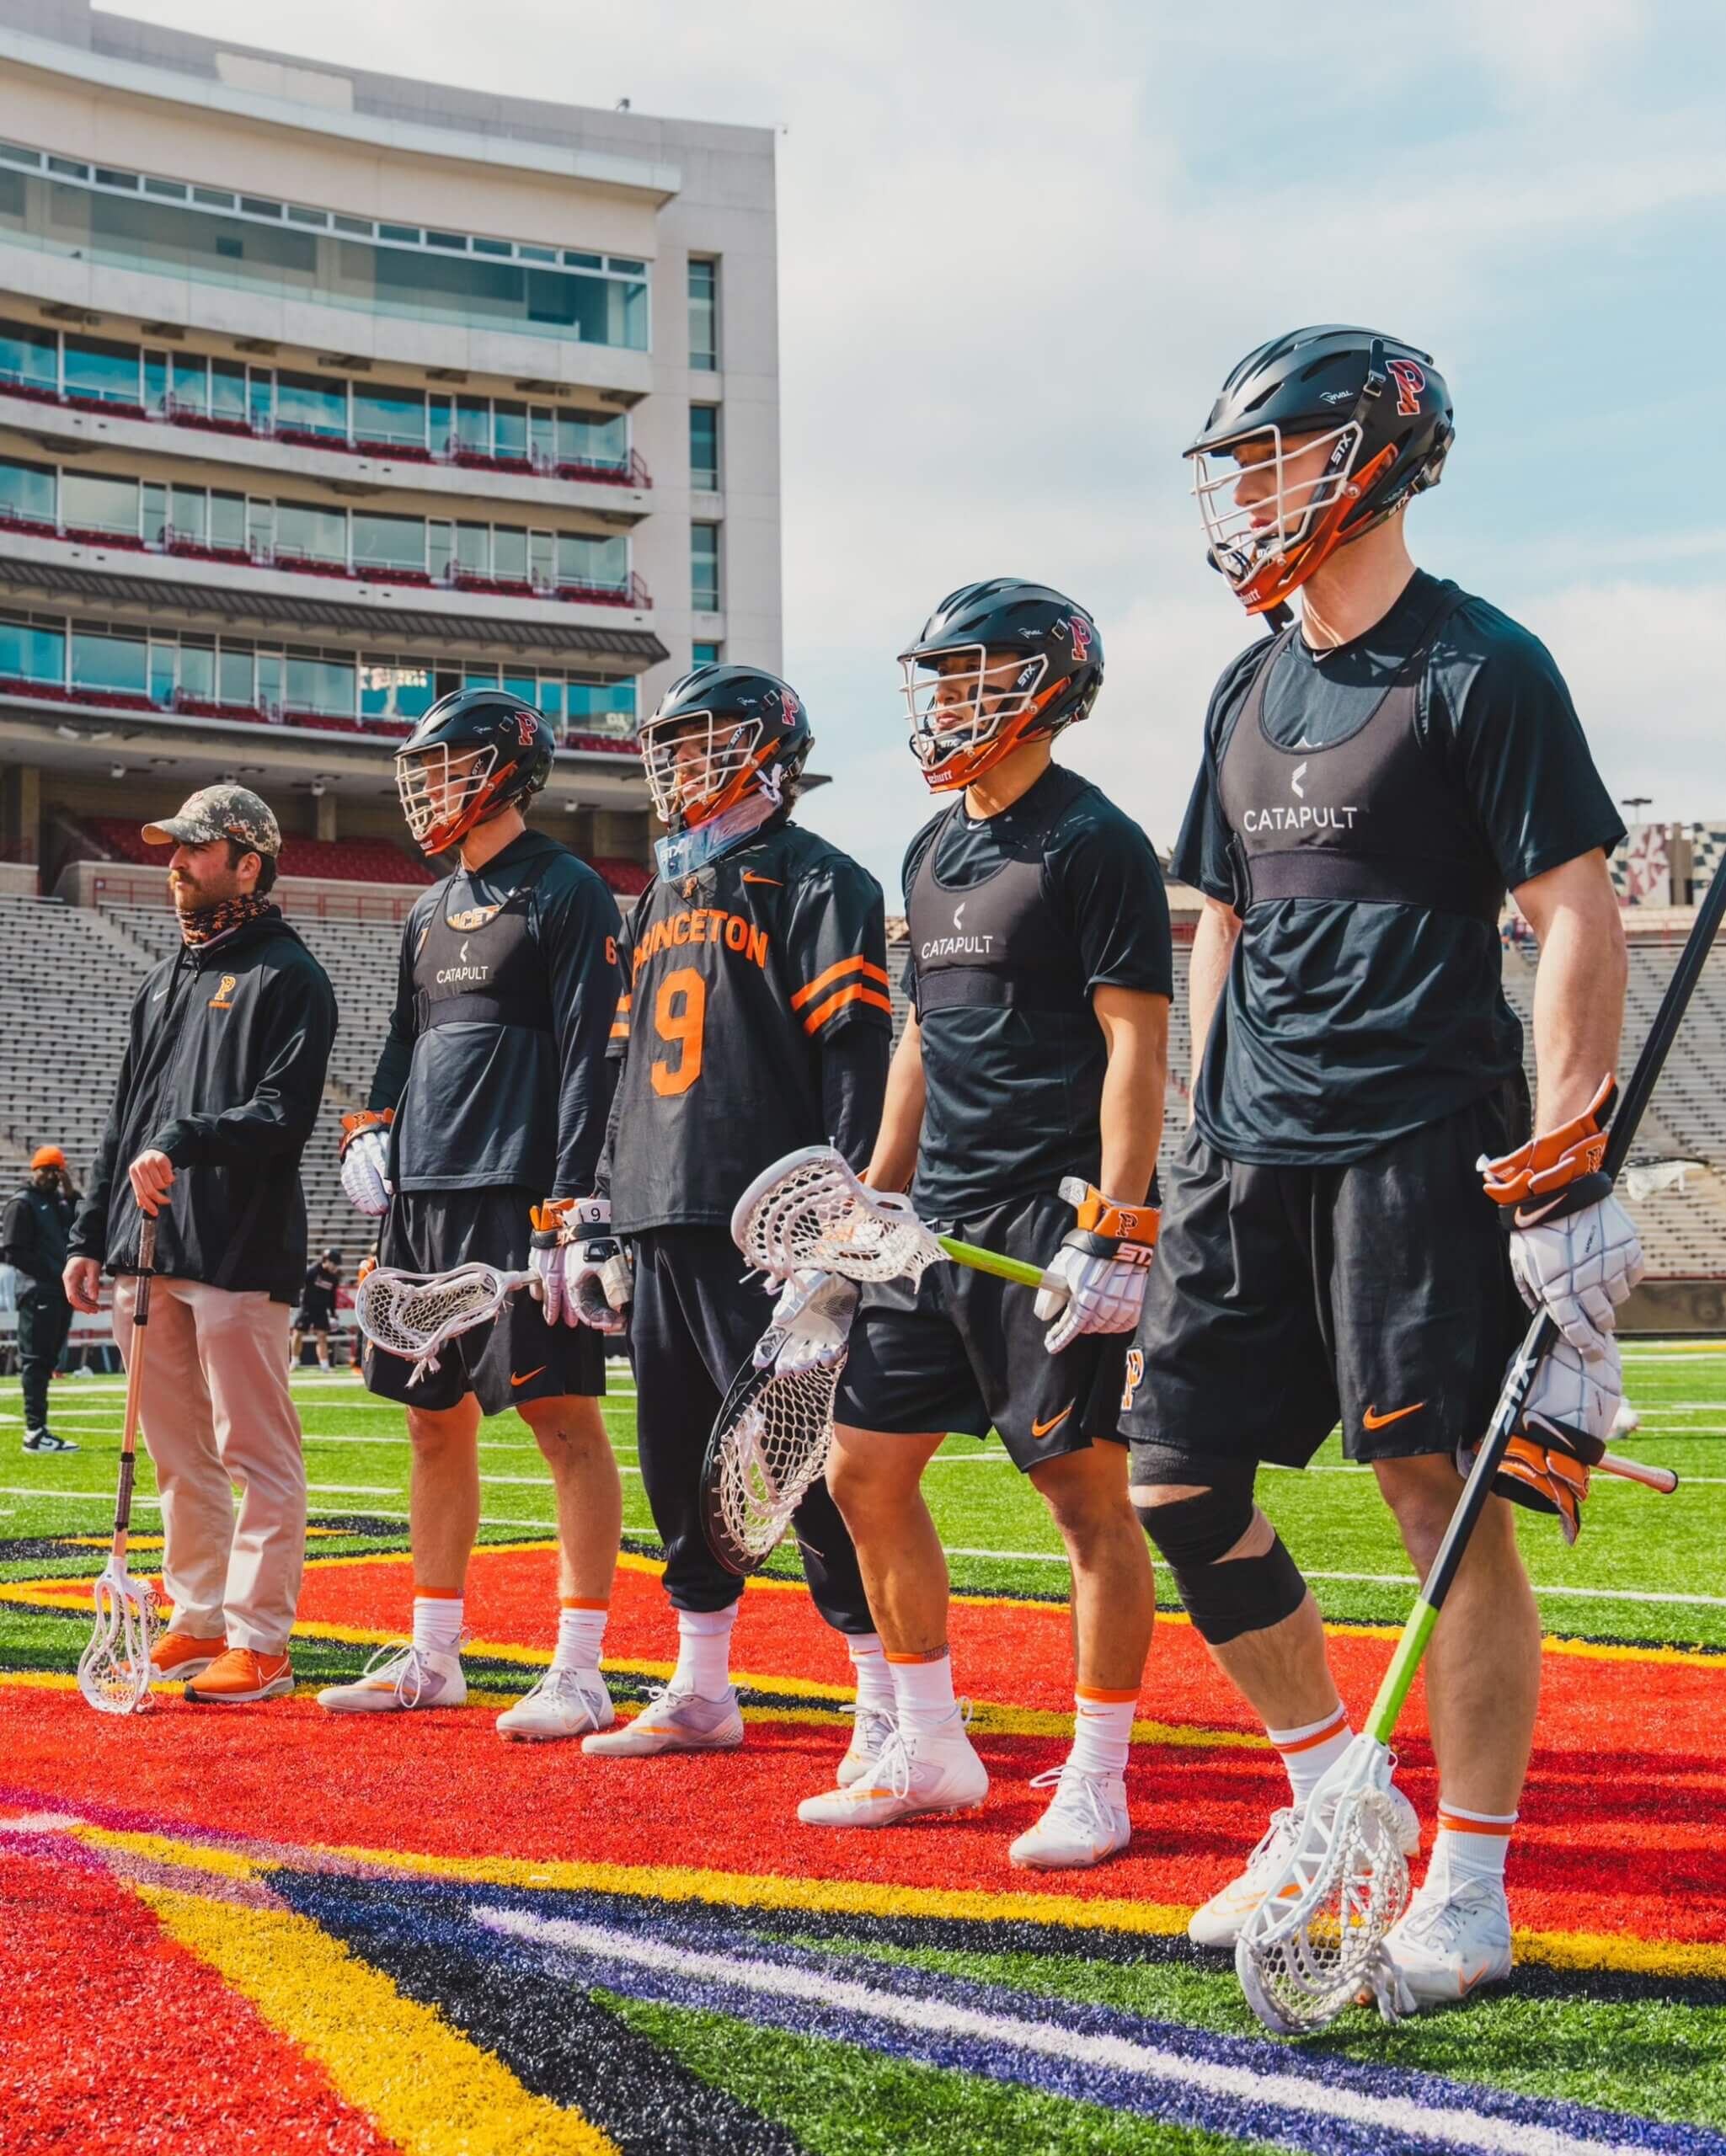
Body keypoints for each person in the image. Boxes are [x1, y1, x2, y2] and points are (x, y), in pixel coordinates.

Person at [1123, 325, 1638, 2005]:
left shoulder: (1482, 664)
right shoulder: (1244, 678)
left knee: (1439, 1499)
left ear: (1367, 454)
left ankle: (1470, 1887)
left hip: (1421, 1127)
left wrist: (1566, 1159)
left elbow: (1568, 911)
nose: (1248, 491)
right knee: (1176, 1481)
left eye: (1270, 454)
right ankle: (1335, 1798)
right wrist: (1200, 1113)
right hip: (1245, 1141)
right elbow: (1215, 914)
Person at [804, 580, 1173, 1870]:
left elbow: (1137, 1043)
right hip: (937, 1220)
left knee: (1084, 1503)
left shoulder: (1097, 842)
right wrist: (879, 1190)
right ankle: (929, 1743)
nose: (946, 701)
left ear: (1042, 685)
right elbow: (918, 1031)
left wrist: (1120, 1223)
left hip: (1046, 1215)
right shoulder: (932, 843)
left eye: (969, 675)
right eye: (941, 676)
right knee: (860, 1470)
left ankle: (1101, 1775)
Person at [578, 663, 893, 1769]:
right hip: (663, 1208)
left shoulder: (820, 881)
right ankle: (702, 1685)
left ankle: (881, 1695)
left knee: (798, 1466)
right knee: (679, 1464)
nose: (676, 762)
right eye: (670, 743)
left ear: (766, 748)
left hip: (766, 1222)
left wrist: (838, 1228)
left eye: (702, 739)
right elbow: (626, 1072)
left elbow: (858, 1064)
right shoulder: (661, 892)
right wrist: (603, 1216)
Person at [318, 687, 626, 1739]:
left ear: (500, 770)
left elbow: (593, 1056)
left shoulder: (569, 889)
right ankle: (436, 1656)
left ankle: (581, 1668)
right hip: (426, 1196)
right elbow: (405, 1039)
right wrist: (370, 1122)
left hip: (520, 1193)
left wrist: (571, 1200)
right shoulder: (422, 908)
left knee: (562, 1421)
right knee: (428, 1422)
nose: (427, 788)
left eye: (443, 766)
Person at [64, 787, 338, 1704]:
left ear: (247, 861)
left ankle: (262, 1640)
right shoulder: (164, 977)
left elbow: (282, 1116)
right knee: (177, 1453)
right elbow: (124, 1118)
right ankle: (199, 1615)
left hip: (238, 1247)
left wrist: (185, 1139)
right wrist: (86, 1231)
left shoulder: (291, 975)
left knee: (253, 1451)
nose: (173, 864)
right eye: (171, 850)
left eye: (192, 850)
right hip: (145, 1248)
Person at [4, 1145, 78, 1454]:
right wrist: (51, 1274)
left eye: (55, 1170)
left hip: (57, 1291)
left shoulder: (57, 1202)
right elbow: (12, 1250)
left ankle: (39, 1430)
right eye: (45, 1169)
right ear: (34, 1169)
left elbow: (80, 1221)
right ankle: (35, 1431)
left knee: (47, 1360)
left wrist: (70, 1189)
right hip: (37, 1291)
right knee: (35, 1361)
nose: (49, 1175)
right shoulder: (22, 1203)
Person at [290, 1247, 343, 1371]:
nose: (336, 1267)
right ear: (327, 1260)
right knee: (298, 1334)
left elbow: (332, 1297)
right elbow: (300, 1285)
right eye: (334, 1263)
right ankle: (295, 1361)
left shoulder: (333, 1278)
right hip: (307, 1308)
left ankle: (325, 1366)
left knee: (322, 1336)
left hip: (321, 1310)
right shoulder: (313, 1271)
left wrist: (333, 1313)